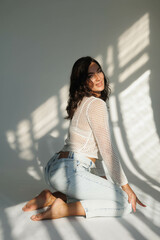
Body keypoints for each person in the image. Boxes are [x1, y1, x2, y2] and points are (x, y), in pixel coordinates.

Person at [22, 56, 146, 221]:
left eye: (99, 71)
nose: (98, 77)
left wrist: (102, 180)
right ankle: (64, 209)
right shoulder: (96, 104)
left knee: (103, 194)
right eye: (90, 76)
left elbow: (96, 150)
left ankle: (51, 197)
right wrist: (126, 187)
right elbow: (106, 149)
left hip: (55, 167)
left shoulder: (81, 102)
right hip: (70, 172)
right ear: (82, 81)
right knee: (124, 203)